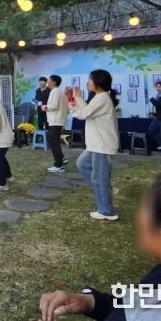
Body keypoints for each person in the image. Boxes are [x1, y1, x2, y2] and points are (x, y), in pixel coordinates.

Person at [35, 168, 161, 321]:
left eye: (146, 206)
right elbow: (140, 303)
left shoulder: (152, 320)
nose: (137, 215)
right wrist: (91, 302)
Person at [67, 69, 120, 221]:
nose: (88, 82)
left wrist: (71, 99)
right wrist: (77, 97)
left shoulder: (102, 98)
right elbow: (87, 110)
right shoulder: (100, 97)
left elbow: (82, 114)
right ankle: (107, 190)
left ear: (98, 82)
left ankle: (106, 211)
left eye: (90, 80)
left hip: (101, 145)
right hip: (96, 144)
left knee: (99, 179)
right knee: (82, 164)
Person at [45, 75, 70, 173]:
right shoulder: (60, 92)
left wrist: (45, 107)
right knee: (53, 140)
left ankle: (59, 165)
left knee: (54, 142)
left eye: (49, 80)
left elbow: (54, 106)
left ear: (54, 82)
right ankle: (62, 159)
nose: (48, 82)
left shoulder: (54, 91)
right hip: (59, 120)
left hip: (55, 120)